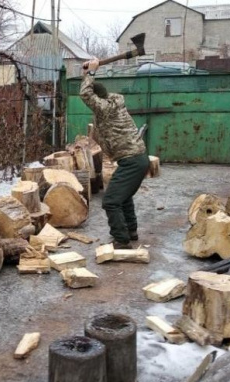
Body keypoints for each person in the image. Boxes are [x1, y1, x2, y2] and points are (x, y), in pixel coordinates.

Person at [80, 58, 150, 249]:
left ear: (98, 99)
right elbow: (90, 91)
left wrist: (92, 73)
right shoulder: (110, 103)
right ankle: (131, 231)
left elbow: (86, 94)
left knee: (110, 201)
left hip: (133, 160)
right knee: (123, 197)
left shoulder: (106, 108)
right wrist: (86, 75)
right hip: (135, 159)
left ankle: (121, 239)